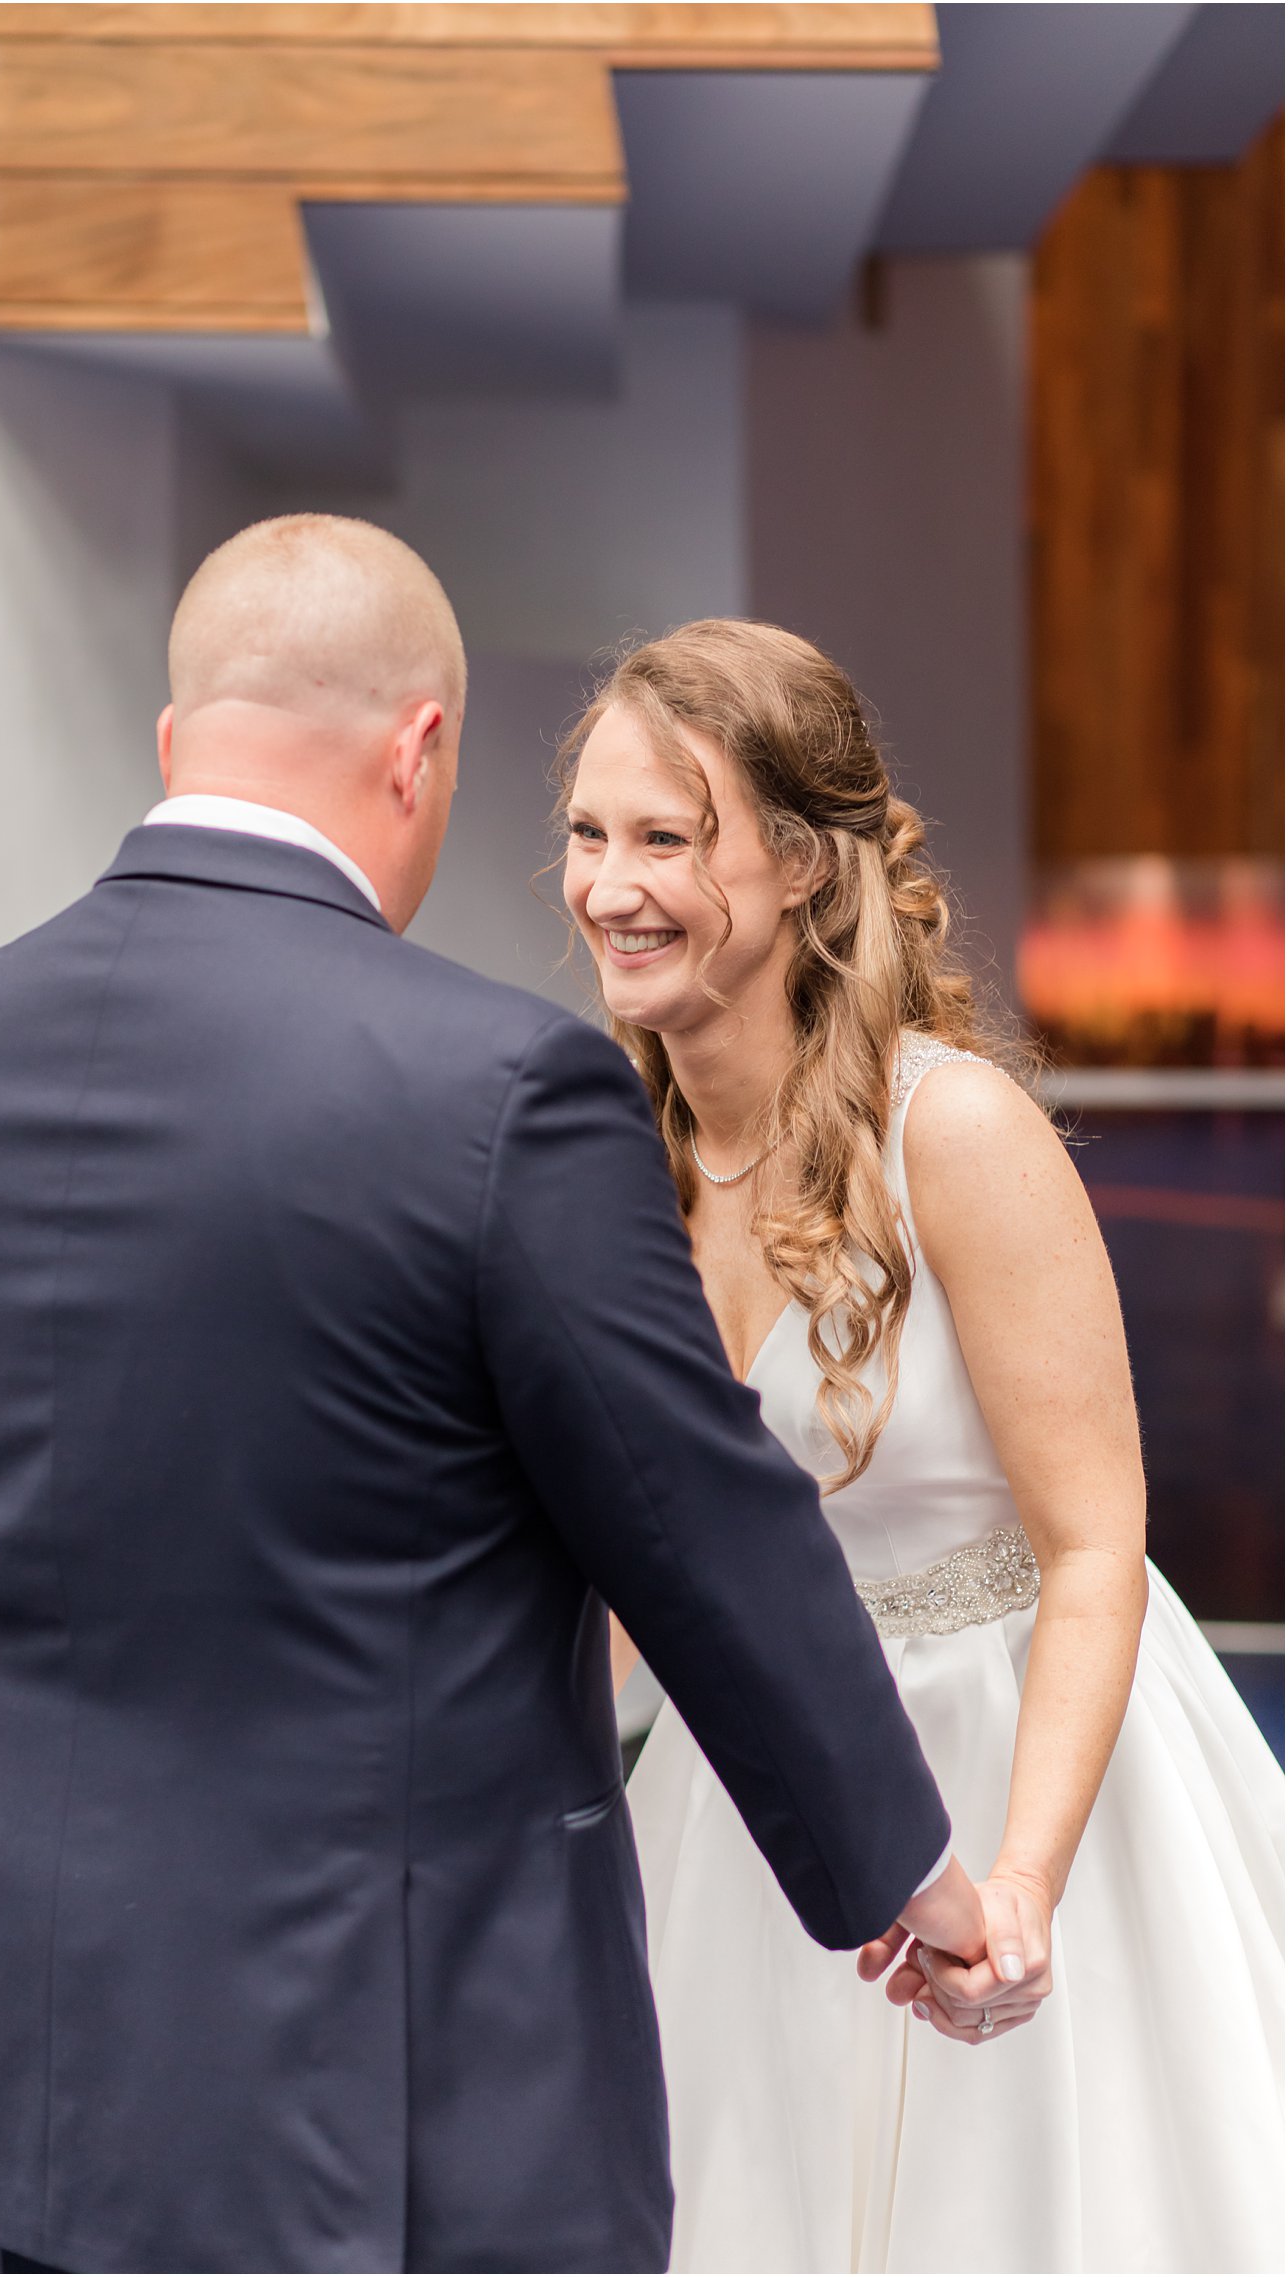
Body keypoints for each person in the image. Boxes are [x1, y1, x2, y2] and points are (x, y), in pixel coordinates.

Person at [0, 519, 991, 2277]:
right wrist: (904, 1869)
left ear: (178, 745)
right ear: (419, 749)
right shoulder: (497, 1089)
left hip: (42, 2039)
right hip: (387, 2063)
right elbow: (694, 1519)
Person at [561, 616, 1286, 2275]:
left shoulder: (950, 1127)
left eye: (668, 837)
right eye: (590, 835)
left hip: (1019, 1771)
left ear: (809, 870)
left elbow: (1101, 1542)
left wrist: (1023, 1882)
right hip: (761, 1796)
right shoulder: (611, 1155)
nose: (610, 884)